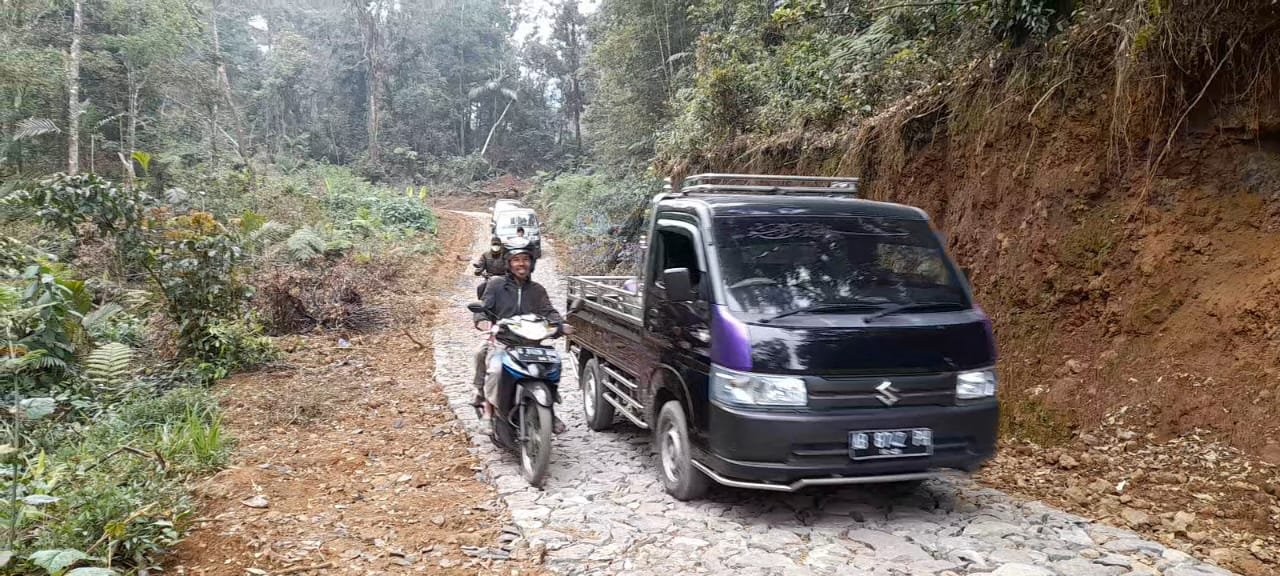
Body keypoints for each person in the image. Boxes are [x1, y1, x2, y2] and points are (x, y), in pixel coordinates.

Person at [475, 240, 570, 435]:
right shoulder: (496, 285)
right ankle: (488, 411)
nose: (521, 264)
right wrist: (483, 322)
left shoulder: (537, 290)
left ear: (531, 263)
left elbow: (549, 311)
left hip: (532, 344)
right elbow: (483, 308)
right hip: (504, 342)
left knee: (552, 366)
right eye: (516, 260)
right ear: (509, 263)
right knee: (495, 370)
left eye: (525, 259)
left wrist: (560, 325)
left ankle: (549, 408)